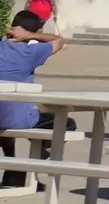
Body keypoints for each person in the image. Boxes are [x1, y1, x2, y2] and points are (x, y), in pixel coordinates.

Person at [0, 12, 66, 188]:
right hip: (17, 119)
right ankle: (24, 171)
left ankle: (13, 168)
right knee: (65, 123)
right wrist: (33, 36)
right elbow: (59, 41)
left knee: (6, 117)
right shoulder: (30, 51)